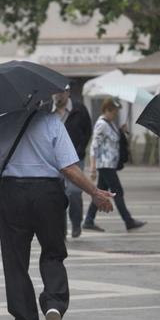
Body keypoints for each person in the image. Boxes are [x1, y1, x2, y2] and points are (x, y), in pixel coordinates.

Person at [0, 107, 114, 320]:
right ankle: (54, 304)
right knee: (53, 253)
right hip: (48, 193)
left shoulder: (1, 124)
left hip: (12, 193)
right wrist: (94, 192)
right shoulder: (52, 122)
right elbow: (68, 167)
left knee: (15, 262)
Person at [83, 98, 146, 232]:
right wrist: (93, 168)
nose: (115, 115)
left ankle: (89, 220)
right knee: (118, 191)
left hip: (110, 164)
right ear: (107, 110)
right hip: (105, 165)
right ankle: (128, 221)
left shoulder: (110, 123)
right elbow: (94, 146)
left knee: (100, 192)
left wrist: (121, 130)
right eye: (114, 112)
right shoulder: (101, 124)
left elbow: (113, 139)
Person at [52, 89, 92, 238]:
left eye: (61, 92)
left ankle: (76, 223)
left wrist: (81, 148)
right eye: (56, 92)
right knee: (58, 195)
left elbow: (88, 130)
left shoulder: (79, 109)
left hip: (75, 158)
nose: (58, 95)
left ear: (68, 93)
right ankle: (61, 230)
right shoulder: (48, 110)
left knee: (74, 192)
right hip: (54, 161)